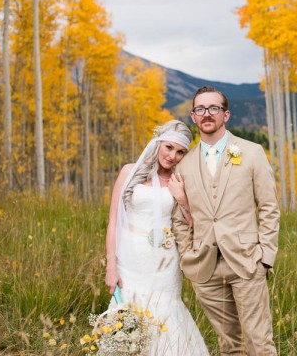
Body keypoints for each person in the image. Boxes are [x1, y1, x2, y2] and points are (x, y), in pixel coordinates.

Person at [170, 86, 280, 355]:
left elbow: (269, 207)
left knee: (259, 343)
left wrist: (265, 256)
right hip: (205, 267)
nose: (207, 114)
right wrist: (187, 254)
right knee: (230, 346)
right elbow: (180, 219)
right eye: (200, 109)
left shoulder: (252, 152)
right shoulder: (184, 164)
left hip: (247, 262)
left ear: (225, 114)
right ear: (193, 117)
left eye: (213, 108)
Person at [105, 120, 209, 355]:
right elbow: (113, 221)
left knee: (165, 313)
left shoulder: (180, 181)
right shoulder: (129, 172)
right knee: (128, 313)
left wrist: (182, 198)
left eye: (180, 151)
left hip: (164, 261)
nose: (173, 156)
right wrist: (111, 266)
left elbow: (196, 225)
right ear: (158, 143)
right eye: (169, 148)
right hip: (130, 258)